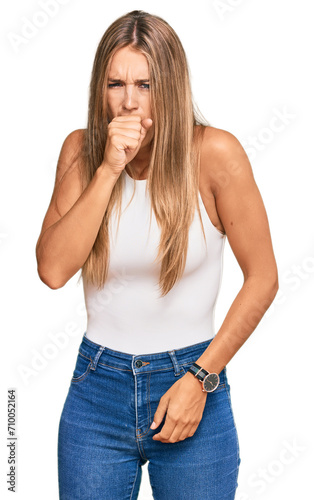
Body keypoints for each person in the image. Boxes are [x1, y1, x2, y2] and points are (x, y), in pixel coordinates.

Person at [35, 9, 278, 500]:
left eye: (145, 84)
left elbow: (264, 278)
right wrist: (107, 168)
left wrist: (201, 378)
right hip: (97, 390)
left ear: (170, 84)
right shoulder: (81, 152)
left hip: (191, 378)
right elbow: (53, 270)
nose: (128, 102)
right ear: (99, 88)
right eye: (116, 83)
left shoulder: (215, 154)